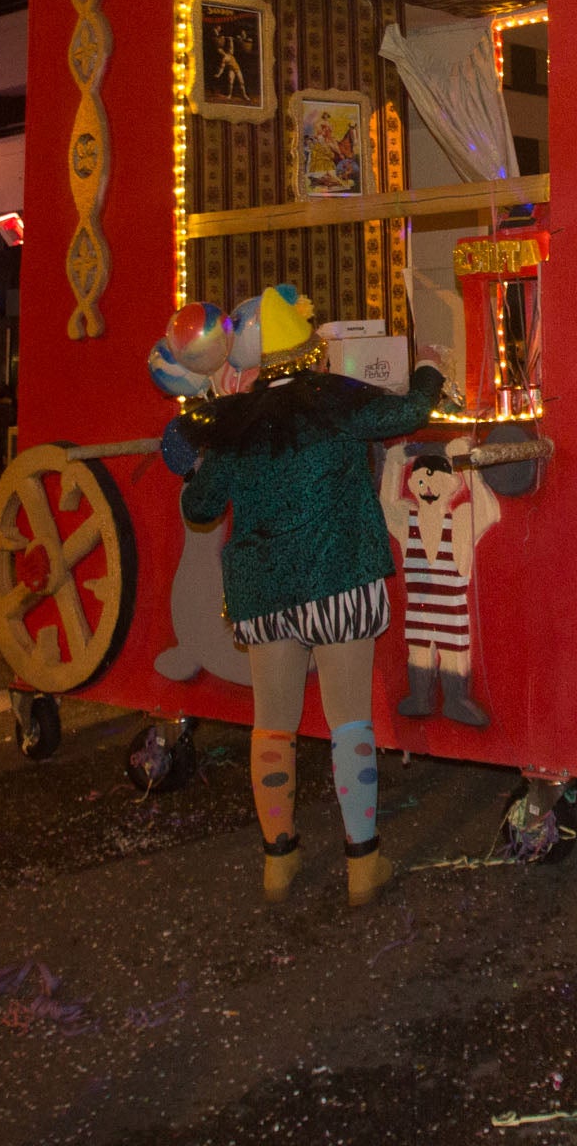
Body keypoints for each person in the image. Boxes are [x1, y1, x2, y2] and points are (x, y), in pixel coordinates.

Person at [172, 286, 446, 903]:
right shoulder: (333, 399)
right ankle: (362, 863)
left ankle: (279, 860)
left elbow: (200, 507)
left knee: (273, 726)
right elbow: (405, 415)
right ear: (313, 352)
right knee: (350, 720)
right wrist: (429, 368)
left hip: (265, 592)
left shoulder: (233, 421)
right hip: (339, 578)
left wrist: (208, 450)